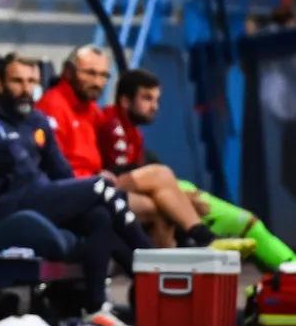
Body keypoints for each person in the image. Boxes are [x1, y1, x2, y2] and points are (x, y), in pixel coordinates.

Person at [0, 55, 151, 326]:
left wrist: (75, 197)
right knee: (101, 187)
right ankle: (152, 266)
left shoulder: (36, 120)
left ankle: (94, 310)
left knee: (97, 214)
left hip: (38, 194)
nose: (26, 88)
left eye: (32, 81)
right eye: (17, 81)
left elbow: (61, 172)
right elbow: (1, 156)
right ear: (2, 84)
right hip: (8, 202)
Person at [35, 45, 228, 249]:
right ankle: (202, 236)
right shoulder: (52, 106)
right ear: (69, 72)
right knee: (160, 176)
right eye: (90, 73)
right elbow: (53, 167)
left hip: (98, 183)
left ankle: (153, 276)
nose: (97, 82)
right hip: (75, 190)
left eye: (103, 75)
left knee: (161, 207)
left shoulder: (92, 111)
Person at [99, 69, 291, 269]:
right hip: (134, 193)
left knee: (242, 221)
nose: (154, 107)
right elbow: (121, 177)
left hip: (165, 189)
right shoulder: (112, 127)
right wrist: (179, 199)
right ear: (125, 101)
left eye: (157, 100)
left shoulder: (134, 134)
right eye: (147, 98)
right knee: (246, 223)